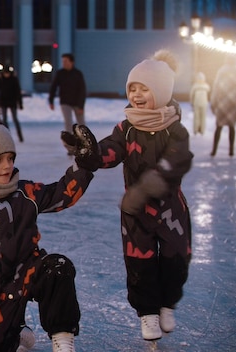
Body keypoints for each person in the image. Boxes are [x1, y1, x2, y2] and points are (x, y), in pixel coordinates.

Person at [0, 101, 100, 352]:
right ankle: (15, 332)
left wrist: (84, 166)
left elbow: (62, 194)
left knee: (58, 268)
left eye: (10, 158)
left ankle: (62, 336)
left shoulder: (24, 192)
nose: (7, 166)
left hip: (31, 270)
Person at [92, 50, 193, 341]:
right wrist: (89, 153)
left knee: (176, 261)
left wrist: (151, 184)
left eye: (144, 88)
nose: (136, 94)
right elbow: (110, 151)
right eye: (132, 88)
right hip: (135, 213)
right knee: (140, 262)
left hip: (170, 208)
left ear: (161, 92)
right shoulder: (126, 128)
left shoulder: (175, 129)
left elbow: (178, 159)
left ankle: (166, 303)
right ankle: (147, 313)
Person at [48, 53, 87, 136]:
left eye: (66, 61)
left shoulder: (77, 74)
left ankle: (85, 140)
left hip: (77, 102)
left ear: (71, 62)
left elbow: (82, 90)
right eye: (63, 61)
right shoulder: (60, 73)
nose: (64, 63)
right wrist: (51, 100)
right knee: (68, 122)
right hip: (65, 101)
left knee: (81, 124)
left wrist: (81, 106)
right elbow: (53, 87)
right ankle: (70, 142)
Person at [0, 67, 24, 142]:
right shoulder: (0, 80)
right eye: (5, 73)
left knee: (15, 119)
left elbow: (17, 92)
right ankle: (8, 135)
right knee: (4, 119)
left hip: (12, 101)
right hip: (3, 101)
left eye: (8, 73)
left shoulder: (14, 80)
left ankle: (20, 136)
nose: (6, 75)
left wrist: (20, 103)